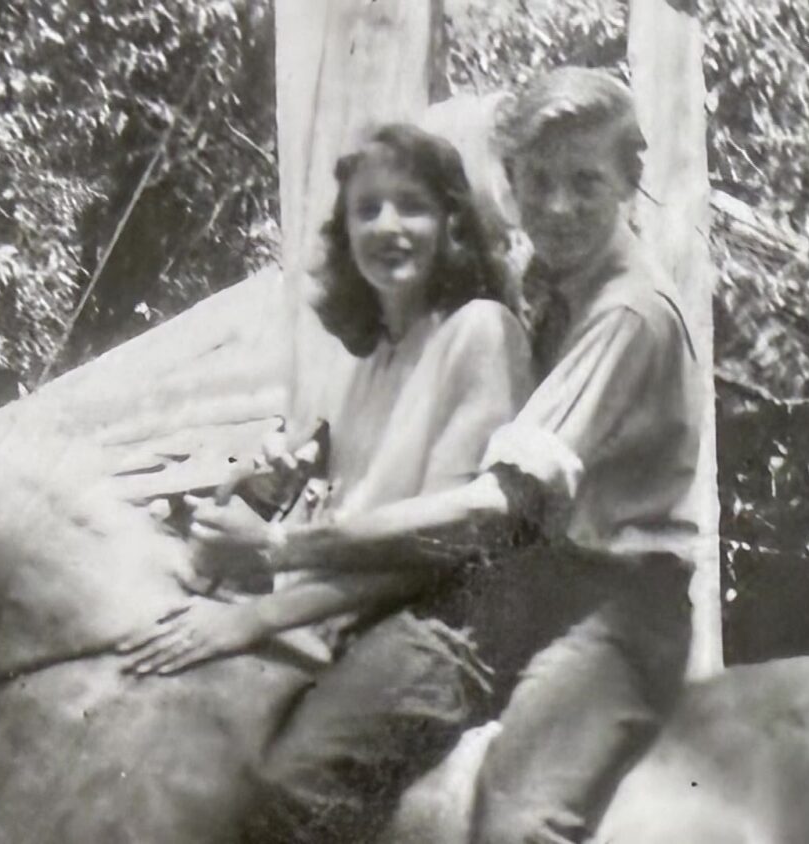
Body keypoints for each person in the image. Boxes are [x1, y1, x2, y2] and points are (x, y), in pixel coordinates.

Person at [190, 67, 702, 844]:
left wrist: (280, 548)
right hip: (524, 588)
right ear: (511, 183)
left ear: (631, 180)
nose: (557, 207)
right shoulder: (542, 284)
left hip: (614, 608)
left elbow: (495, 509)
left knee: (513, 821)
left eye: (586, 182)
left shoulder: (628, 314)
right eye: (537, 181)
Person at [118, 122, 534, 842]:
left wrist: (254, 614)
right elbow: (314, 534)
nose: (388, 227)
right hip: (351, 627)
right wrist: (246, 496)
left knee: (289, 795)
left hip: (441, 635)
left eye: (412, 206)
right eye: (366, 209)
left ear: (453, 223)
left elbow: (431, 555)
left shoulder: (481, 333)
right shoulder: (362, 366)